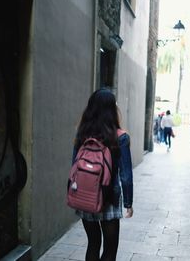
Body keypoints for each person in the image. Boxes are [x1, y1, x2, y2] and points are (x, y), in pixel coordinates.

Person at [72, 89, 134, 261]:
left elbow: (74, 166)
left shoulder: (82, 133)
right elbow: (126, 175)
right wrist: (128, 203)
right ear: (112, 110)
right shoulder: (121, 137)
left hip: (85, 196)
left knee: (93, 243)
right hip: (109, 199)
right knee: (110, 249)